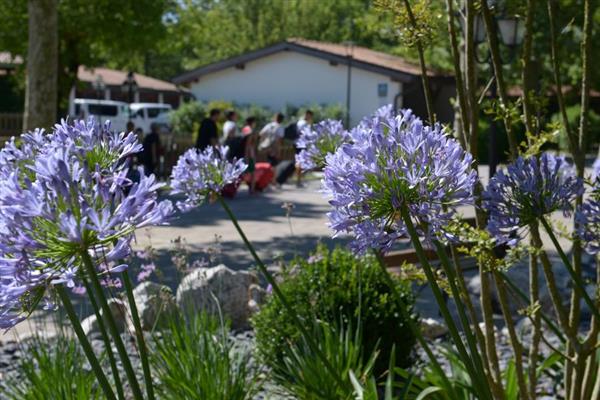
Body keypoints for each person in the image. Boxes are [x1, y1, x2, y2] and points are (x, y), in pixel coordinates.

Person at [294, 110, 313, 187]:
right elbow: (307, 135)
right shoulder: (305, 124)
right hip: (302, 144)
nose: (311, 118)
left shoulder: (299, 122)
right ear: (308, 115)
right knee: (300, 162)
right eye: (310, 116)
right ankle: (298, 181)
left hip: (296, 143)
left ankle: (298, 180)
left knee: (299, 161)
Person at [242, 117, 258, 192]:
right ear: (252, 122)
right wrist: (247, 155)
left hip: (243, 152)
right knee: (252, 172)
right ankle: (252, 189)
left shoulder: (244, 129)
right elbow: (248, 144)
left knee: (245, 171)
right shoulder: (250, 131)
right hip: (250, 153)